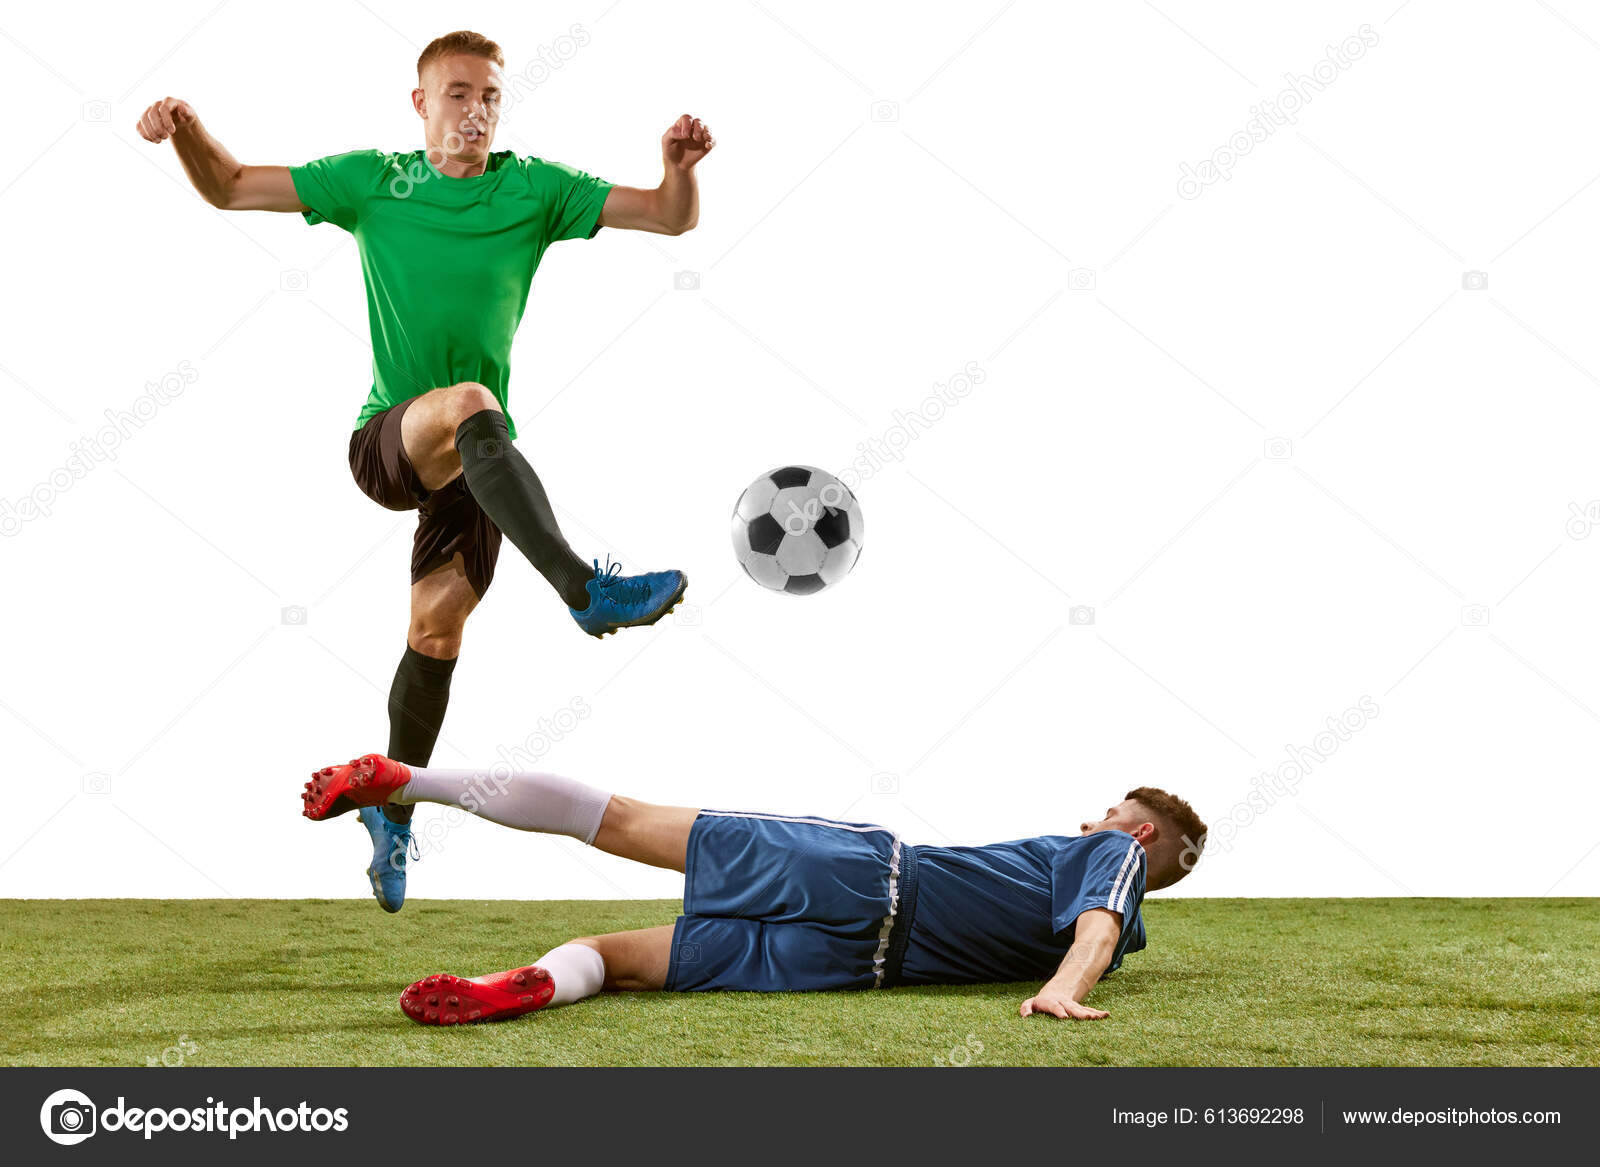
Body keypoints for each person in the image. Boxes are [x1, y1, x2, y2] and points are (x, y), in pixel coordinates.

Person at [135, 30, 716, 913]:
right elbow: (231, 186)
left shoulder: (537, 190)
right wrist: (184, 128)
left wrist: (677, 166)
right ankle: (582, 591)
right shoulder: (375, 180)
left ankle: (393, 807)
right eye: (456, 94)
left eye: (489, 95)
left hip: (481, 474)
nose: (475, 111)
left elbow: (670, 217)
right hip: (391, 441)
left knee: (436, 634)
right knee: (470, 398)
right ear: (420, 105)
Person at [301, 753, 1208, 1024]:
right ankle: (531, 981)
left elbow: (1093, 927)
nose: (1087, 825)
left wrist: (1061, 989)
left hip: (869, 874)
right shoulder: (1115, 922)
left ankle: (404, 779)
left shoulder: (1112, 862)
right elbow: (1092, 931)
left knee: (622, 819)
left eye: (1106, 816)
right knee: (619, 964)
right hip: (850, 967)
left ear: (1137, 834)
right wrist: (1066, 971)